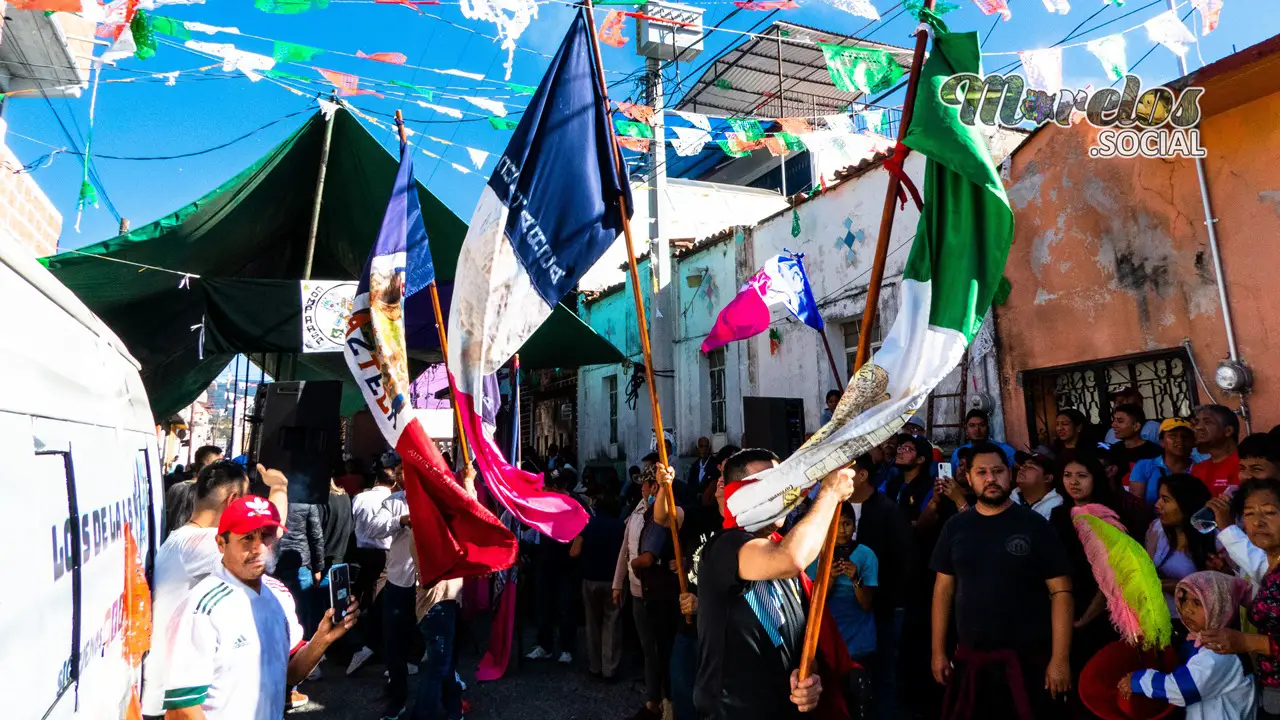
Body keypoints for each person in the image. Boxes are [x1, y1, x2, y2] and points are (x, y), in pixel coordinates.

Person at [161, 495, 358, 719]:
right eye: (247, 537)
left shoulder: (276, 596)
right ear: (221, 543)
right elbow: (181, 709)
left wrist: (323, 639)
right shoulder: (203, 608)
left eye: (266, 536)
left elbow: (289, 675)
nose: (258, 548)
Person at [694, 448, 848, 720]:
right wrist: (830, 493)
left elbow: (802, 641)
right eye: (768, 485)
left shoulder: (785, 559)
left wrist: (808, 679)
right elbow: (790, 558)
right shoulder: (723, 549)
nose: (781, 494)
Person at [931, 442, 1073, 719]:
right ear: (968, 478)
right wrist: (937, 651)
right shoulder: (955, 527)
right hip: (972, 660)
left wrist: (1060, 659)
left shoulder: (1035, 525)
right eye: (981, 472)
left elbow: (1061, 591)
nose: (991, 479)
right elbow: (943, 590)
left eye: (997, 471)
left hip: (1027, 661)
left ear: (1009, 473)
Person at [144, 460, 288, 719]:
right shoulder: (199, 544)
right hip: (177, 698)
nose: (258, 544)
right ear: (233, 500)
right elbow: (270, 539)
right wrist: (279, 489)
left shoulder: (182, 540)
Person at [1119, 571, 1255, 719]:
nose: (1187, 609)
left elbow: (1181, 689)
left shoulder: (1222, 652)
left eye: (1197, 603)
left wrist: (1138, 680)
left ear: (1219, 605)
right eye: (1183, 601)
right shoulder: (1198, 640)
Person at [1197, 477, 1280, 718]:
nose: (1258, 521)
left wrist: (1246, 642)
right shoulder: (1271, 562)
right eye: (1250, 513)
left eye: (1270, 512)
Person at [846, 452, 915, 720]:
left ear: (862, 475)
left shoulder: (888, 510)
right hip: (845, 611)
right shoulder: (836, 510)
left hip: (881, 608)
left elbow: (905, 561)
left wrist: (886, 599)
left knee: (885, 671)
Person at [1049, 454, 1120, 690]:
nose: (1074, 482)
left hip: (1102, 608)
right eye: (1068, 475)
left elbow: (1113, 575)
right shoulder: (1059, 515)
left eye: (1082, 476)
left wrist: (1088, 615)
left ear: (1095, 479)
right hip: (1066, 602)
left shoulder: (1108, 515)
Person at [628, 467, 684, 720]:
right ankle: (659, 700)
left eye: (648, 485)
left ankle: (665, 703)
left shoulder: (668, 513)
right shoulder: (643, 513)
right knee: (655, 651)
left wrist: (636, 565)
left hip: (663, 595)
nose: (643, 489)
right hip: (649, 592)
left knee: (662, 652)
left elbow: (648, 557)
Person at [346, 452, 399, 677]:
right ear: (393, 482)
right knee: (381, 601)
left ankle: (359, 642)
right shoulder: (396, 500)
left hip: (362, 552)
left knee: (358, 597)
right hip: (387, 555)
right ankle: (373, 645)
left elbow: (353, 522)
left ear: (375, 480)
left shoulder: (360, 498)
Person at [806, 502, 878, 666]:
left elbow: (867, 605)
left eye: (847, 523)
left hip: (859, 641)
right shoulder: (816, 555)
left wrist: (855, 578)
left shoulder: (866, 555)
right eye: (836, 524)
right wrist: (829, 578)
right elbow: (814, 603)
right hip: (827, 638)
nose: (842, 530)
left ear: (854, 526)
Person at [571, 490, 626, 681]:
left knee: (592, 623)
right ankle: (609, 668)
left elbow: (574, 552)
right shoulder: (621, 526)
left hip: (590, 578)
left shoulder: (588, 525)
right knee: (612, 623)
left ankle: (594, 666)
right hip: (613, 581)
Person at [1146, 473, 1215, 619]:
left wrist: (1179, 587)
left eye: (1165, 499)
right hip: (1159, 618)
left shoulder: (1214, 537)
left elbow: (1221, 593)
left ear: (1186, 504)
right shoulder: (1157, 529)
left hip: (1197, 625)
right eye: (1159, 498)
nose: (1158, 504)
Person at [276, 499, 326, 635]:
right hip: (299, 563)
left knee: (275, 611)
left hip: (274, 563)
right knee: (302, 613)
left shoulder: (269, 496)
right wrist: (318, 568)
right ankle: (302, 648)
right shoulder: (307, 502)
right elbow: (316, 537)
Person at [1130, 418, 1199, 505]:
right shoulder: (1144, 466)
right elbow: (1136, 505)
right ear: (1162, 442)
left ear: (1193, 442)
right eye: (1173, 436)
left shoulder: (1200, 467)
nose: (1180, 440)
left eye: (1185, 436)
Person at [950, 409, 1017, 479]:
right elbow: (951, 479)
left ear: (988, 428)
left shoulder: (1006, 450)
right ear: (966, 429)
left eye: (981, 425)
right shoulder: (958, 453)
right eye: (972, 425)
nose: (977, 429)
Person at [1192, 404, 1242, 496]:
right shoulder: (1197, 469)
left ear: (1228, 431)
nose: (1198, 427)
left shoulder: (1245, 465)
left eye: (1207, 422)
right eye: (1196, 423)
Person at [885, 435, 935, 523]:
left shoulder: (928, 489)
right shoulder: (892, 483)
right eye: (900, 447)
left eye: (907, 449)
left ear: (920, 459)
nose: (900, 452)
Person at [1109, 403, 1163, 482]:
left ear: (1136, 426)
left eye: (1120, 421)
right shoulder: (1113, 450)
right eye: (1114, 420)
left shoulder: (1154, 452)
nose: (1113, 425)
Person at [1011, 446, 1064, 520]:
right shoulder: (1009, 499)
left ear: (1047, 478)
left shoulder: (1057, 508)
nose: (1021, 468)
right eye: (1023, 465)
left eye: (1030, 467)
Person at [686, 436, 717, 502]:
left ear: (709, 448)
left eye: (706, 446)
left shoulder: (715, 464)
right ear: (698, 448)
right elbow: (690, 484)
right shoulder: (695, 465)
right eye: (701, 446)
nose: (704, 449)